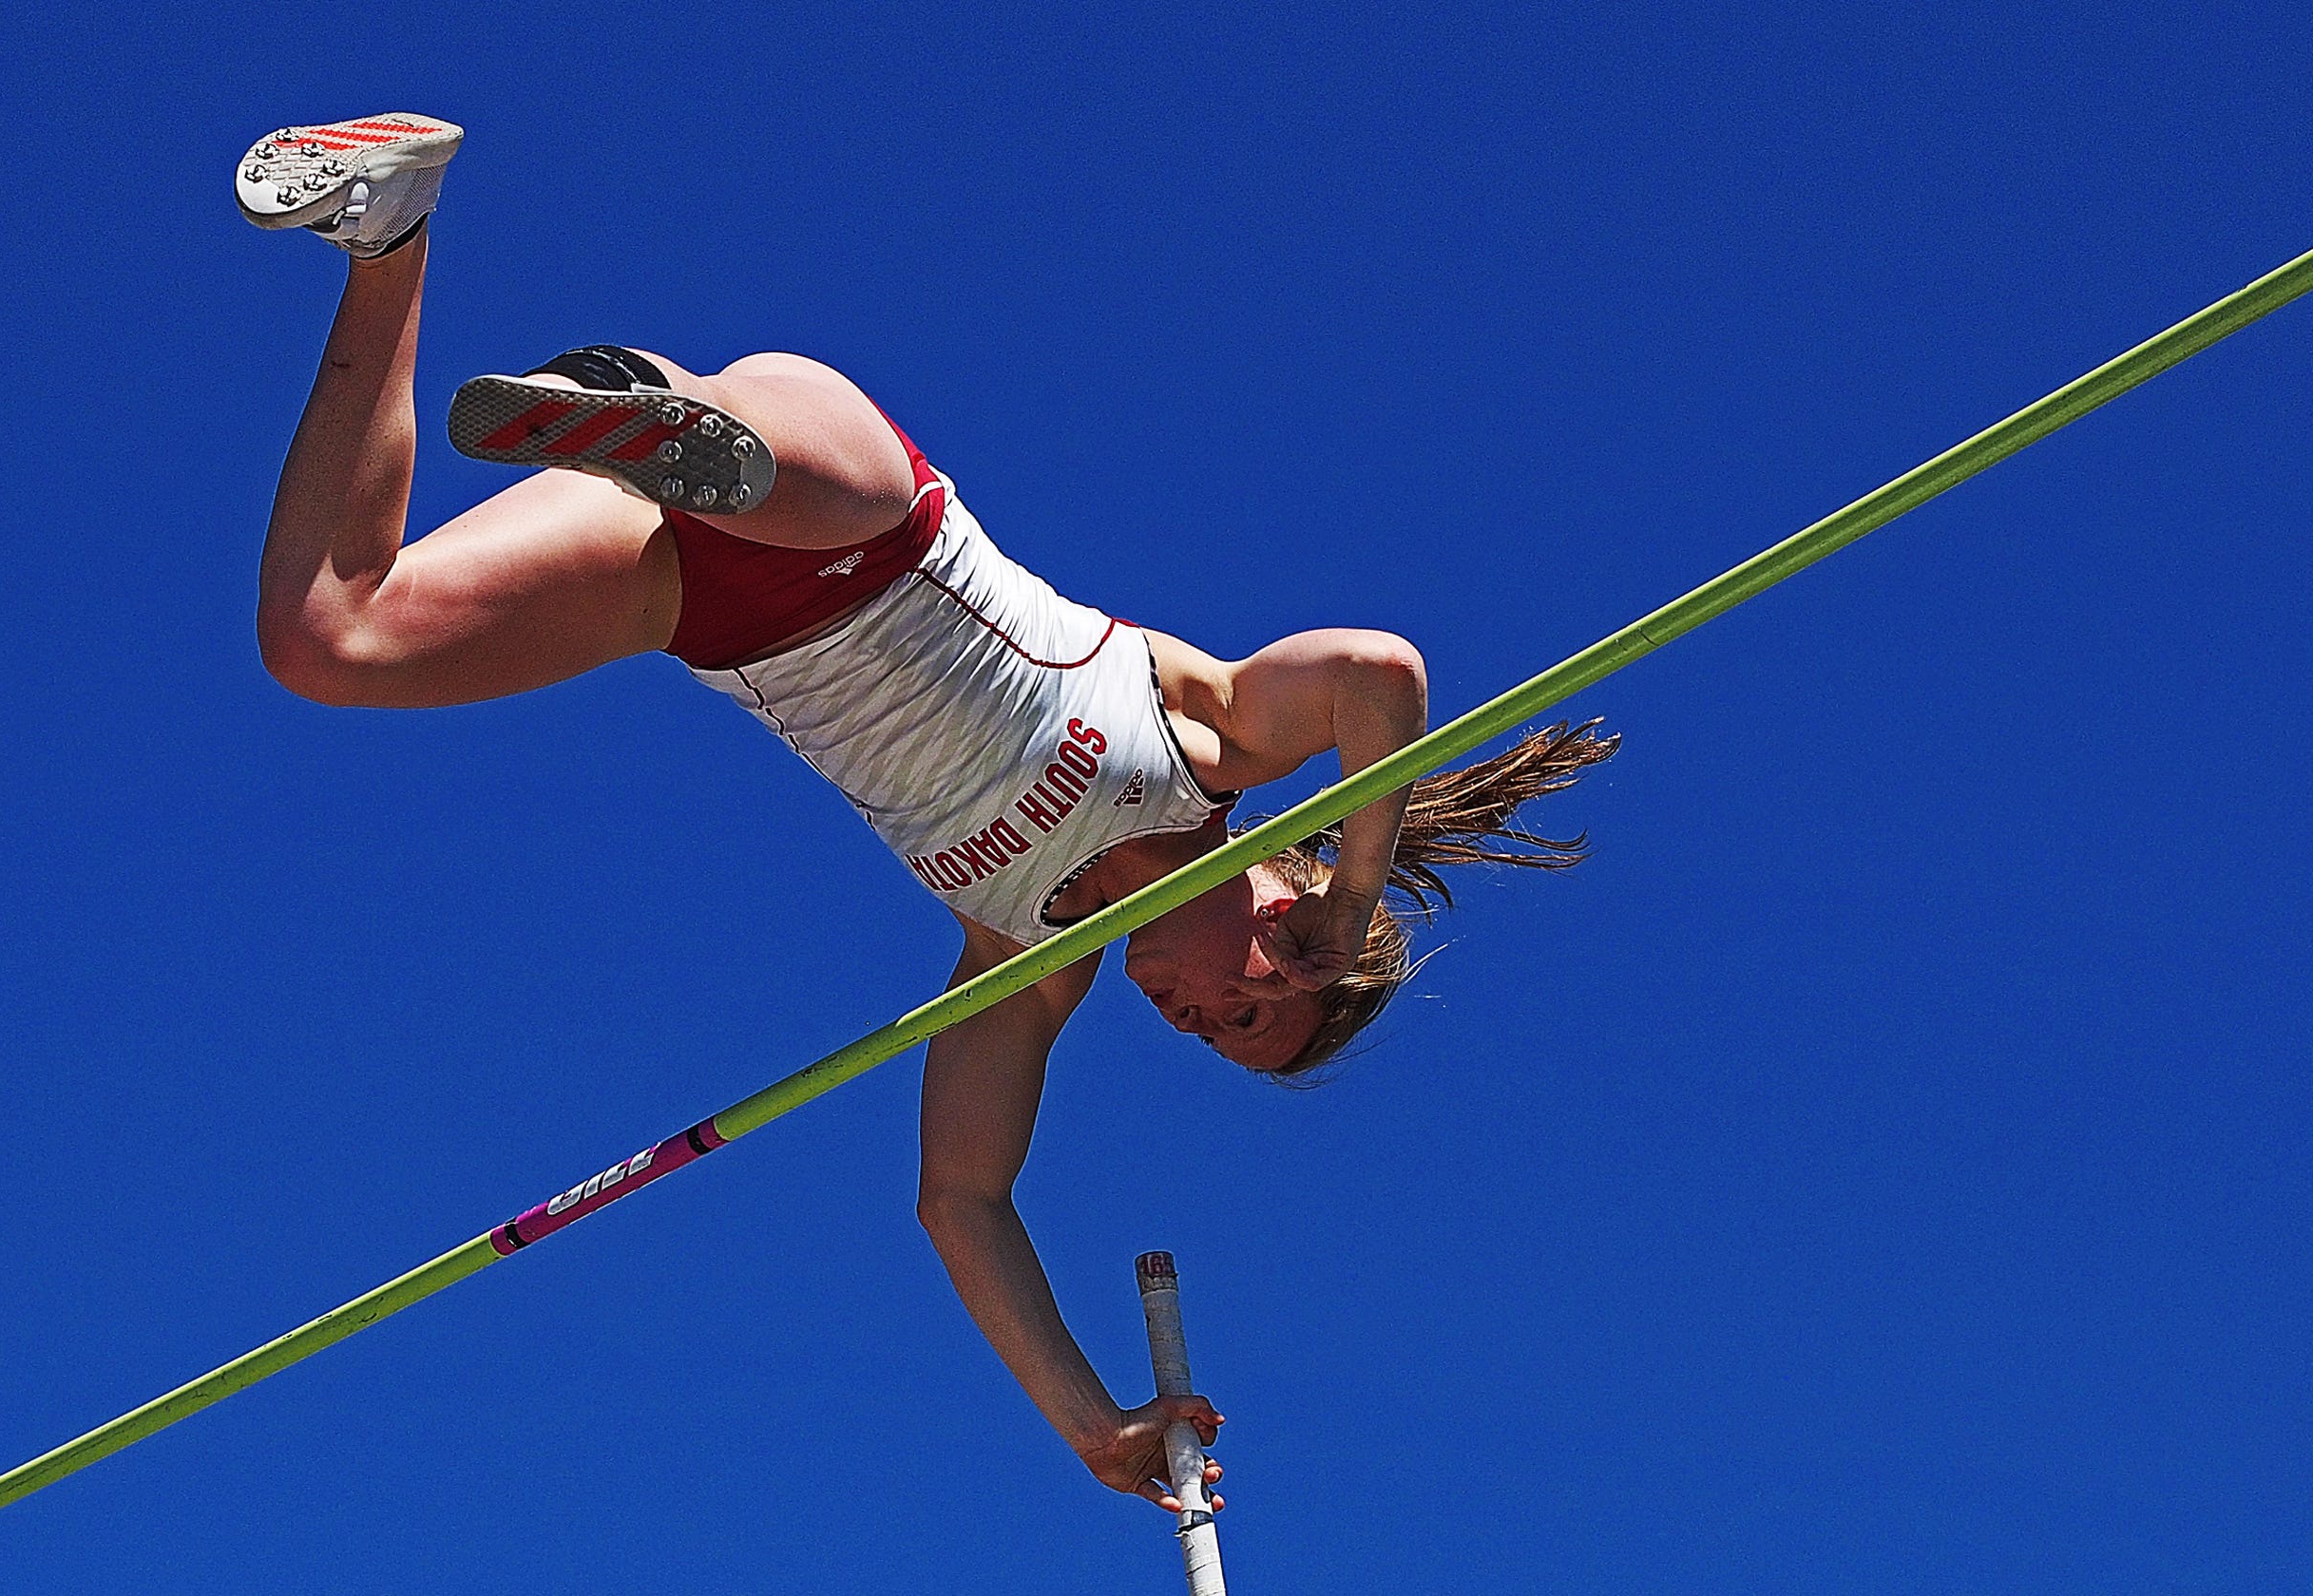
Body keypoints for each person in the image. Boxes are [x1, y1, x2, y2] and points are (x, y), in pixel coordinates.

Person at [239, 114, 1617, 1517]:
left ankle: (389, 230)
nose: (1191, 1026)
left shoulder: (1022, 959)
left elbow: (962, 1202)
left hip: (696, 611)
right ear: (1290, 926)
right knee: (767, 476)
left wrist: (1096, 1429)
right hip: (853, 514)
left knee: (328, 642)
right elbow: (1380, 675)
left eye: (1213, 1044)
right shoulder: (1213, 746)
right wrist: (1361, 883)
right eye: (1242, 1016)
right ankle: (662, 417)